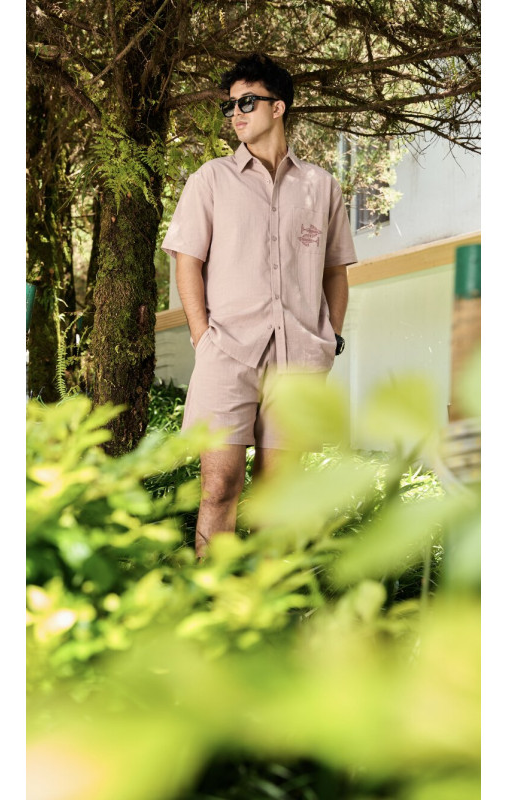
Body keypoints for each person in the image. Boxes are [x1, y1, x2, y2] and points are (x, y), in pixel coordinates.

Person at [162, 53, 357, 558]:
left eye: (246, 102)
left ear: (278, 107)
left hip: (299, 361)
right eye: (229, 106)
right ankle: (213, 593)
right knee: (219, 488)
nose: (235, 114)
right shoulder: (211, 180)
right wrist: (203, 339)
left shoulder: (322, 187)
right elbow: (187, 263)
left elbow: (335, 271)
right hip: (227, 354)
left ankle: (263, 602)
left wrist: (330, 338)